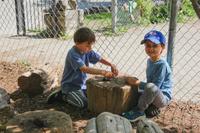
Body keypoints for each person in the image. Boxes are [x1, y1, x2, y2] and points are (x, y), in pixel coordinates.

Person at [47, 27, 118, 108]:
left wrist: (111, 64)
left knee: (93, 98)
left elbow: (100, 58)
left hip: (82, 85)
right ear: (77, 43)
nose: (90, 48)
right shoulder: (73, 54)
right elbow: (84, 68)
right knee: (83, 104)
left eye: (91, 45)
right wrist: (103, 72)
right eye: (87, 45)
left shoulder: (87, 51)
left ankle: (72, 95)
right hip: (71, 86)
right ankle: (62, 96)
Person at [122, 30, 173, 122]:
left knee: (148, 87)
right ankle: (148, 107)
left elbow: (154, 87)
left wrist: (138, 83)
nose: (151, 49)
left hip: (162, 97)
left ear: (163, 47)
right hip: (153, 92)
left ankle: (139, 111)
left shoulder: (162, 64)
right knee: (137, 90)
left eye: (155, 46)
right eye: (148, 46)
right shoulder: (150, 61)